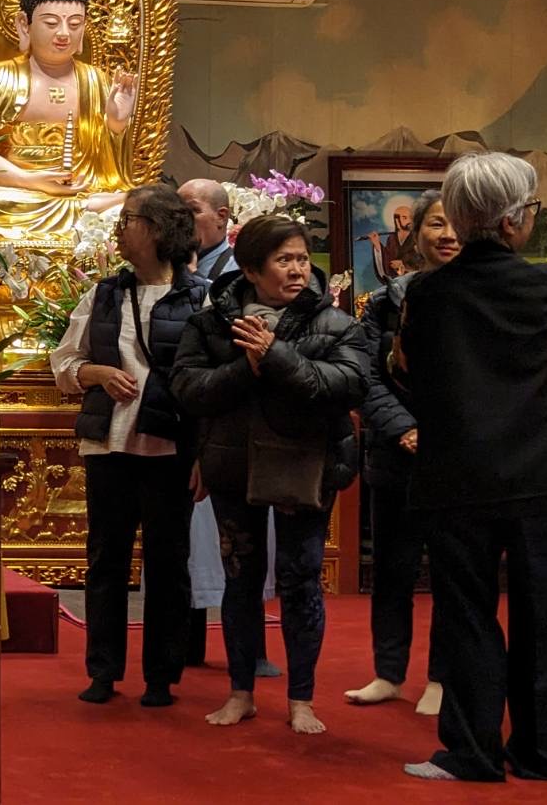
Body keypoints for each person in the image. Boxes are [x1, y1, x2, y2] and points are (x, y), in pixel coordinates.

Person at [398, 152, 547, 782]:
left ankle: (472, 753)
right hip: (545, 475)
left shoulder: (426, 293)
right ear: (510, 221)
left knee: (467, 617)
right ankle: (545, 753)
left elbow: (412, 375)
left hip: (457, 478)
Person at [172, 214, 366, 735]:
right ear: (252, 271)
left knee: (301, 580)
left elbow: (347, 385)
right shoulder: (211, 324)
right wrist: (247, 368)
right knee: (240, 579)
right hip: (233, 464)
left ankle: (302, 699)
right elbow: (188, 389)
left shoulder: (335, 322)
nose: (298, 270)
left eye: (302, 258)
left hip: (306, 467)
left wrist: (275, 355)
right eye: (284, 260)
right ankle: (241, 693)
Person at [49, 184, 206, 707]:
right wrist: (95, 373)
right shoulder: (103, 295)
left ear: (158, 230)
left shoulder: (201, 298)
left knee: (168, 564)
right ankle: (103, 671)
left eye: (128, 220)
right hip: (109, 447)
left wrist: (205, 455)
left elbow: (211, 386)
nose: (118, 231)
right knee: (106, 561)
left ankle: (161, 677)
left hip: (170, 450)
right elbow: (63, 363)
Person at [345, 191, 453, 716]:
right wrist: (404, 429)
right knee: (392, 569)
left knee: (453, 574)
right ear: (415, 235)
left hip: (459, 457)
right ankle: (388, 673)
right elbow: (365, 374)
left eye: (457, 225)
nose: (447, 235)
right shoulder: (387, 299)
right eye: (436, 224)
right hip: (396, 454)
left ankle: (441, 678)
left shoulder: (479, 299)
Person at [179, 176, 281, 679]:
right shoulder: (172, 272)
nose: (183, 220)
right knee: (190, 542)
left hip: (236, 420)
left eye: (192, 210)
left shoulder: (243, 274)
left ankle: (251, 649)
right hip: (188, 412)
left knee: (241, 542)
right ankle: (187, 644)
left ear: (223, 217)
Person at [0, 0, 137, 240]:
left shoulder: (95, 81)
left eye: (74, 24)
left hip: (83, 193)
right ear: (24, 24)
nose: (64, 33)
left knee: (133, 206)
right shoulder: (1, 77)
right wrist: (29, 180)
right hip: (20, 194)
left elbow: (110, 172)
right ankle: (84, 216)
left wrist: (116, 124)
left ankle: (91, 213)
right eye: (51, 23)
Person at [181, 179, 233, 280]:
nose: (181, 218)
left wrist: (193, 276)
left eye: (193, 210)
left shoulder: (237, 270)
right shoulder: (163, 263)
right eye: (178, 211)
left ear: (221, 217)